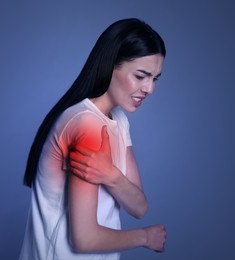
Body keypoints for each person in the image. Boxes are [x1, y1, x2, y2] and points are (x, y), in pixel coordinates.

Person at [19, 18, 167, 260]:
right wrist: (145, 237)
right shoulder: (87, 125)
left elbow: (139, 206)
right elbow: (84, 239)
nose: (149, 88)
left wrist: (111, 175)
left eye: (155, 78)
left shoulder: (118, 120)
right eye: (141, 76)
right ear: (110, 66)